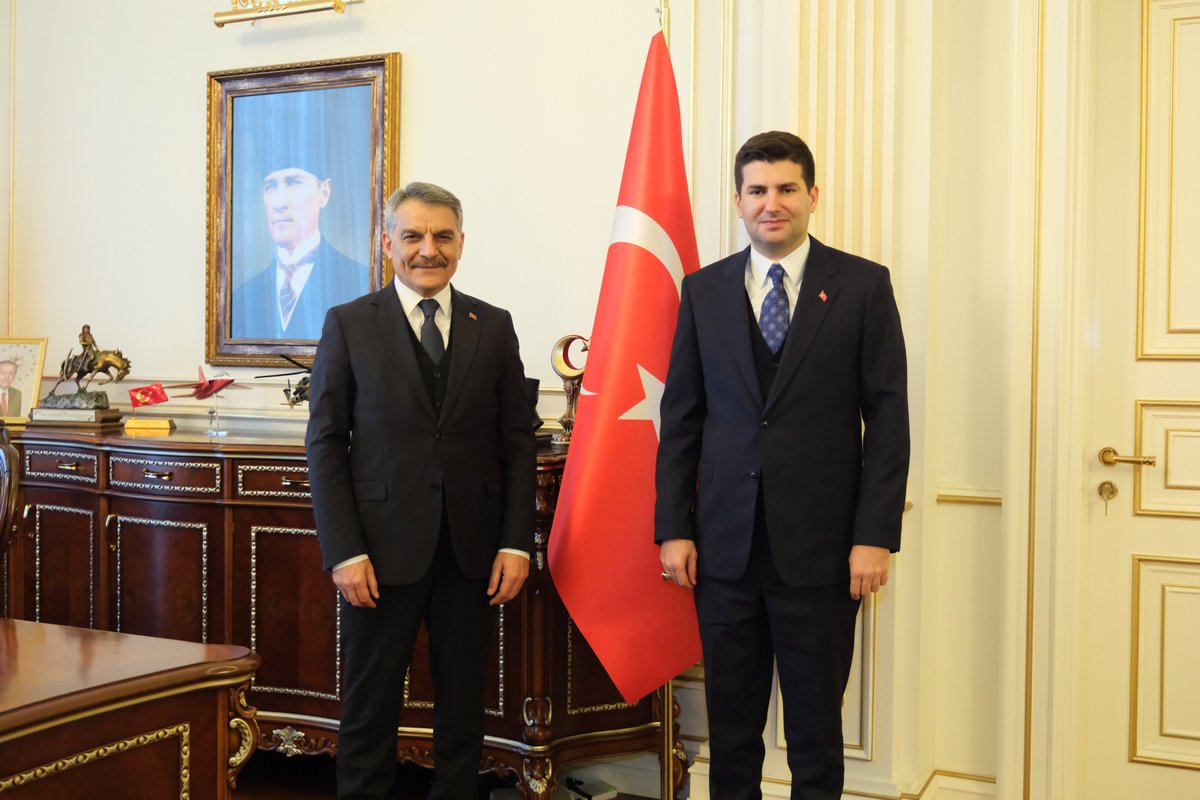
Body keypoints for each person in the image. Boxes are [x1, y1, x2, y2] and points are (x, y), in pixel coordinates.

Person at [655, 131, 910, 799]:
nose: (773, 203)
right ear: (738, 201)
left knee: (815, 730)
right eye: (758, 190)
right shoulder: (703, 291)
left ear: (812, 196)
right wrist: (672, 529)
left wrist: (875, 534)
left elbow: (887, 420)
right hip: (724, 552)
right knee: (731, 731)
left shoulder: (861, 286)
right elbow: (681, 418)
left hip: (824, 556)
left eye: (787, 189)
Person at [305, 181, 537, 799]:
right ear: (388, 244)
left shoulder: (493, 325)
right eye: (412, 236)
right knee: (368, 707)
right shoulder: (350, 324)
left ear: (461, 243)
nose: (427, 250)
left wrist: (517, 543)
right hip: (377, 556)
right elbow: (325, 443)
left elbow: (517, 442)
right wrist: (344, 551)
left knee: (464, 707)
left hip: (473, 553)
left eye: (442, 236)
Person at [231, 147, 369, 341]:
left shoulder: (361, 283)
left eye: (294, 183)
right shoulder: (241, 298)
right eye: (270, 186)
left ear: (324, 192)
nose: (279, 203)